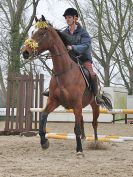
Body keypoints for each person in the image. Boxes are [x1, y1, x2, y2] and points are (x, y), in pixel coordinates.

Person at [43, 8, 104, 105]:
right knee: (56, 70)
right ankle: (51, 90)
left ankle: (97, 96)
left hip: (83, 59)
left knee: (92, 75)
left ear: (75, 18)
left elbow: (86, 45)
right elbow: (59, 46)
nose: (67, 19)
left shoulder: (83, 32)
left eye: (69, 17)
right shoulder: (64, 33)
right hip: (71, 59)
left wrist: (73, 47)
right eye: (66, 18)